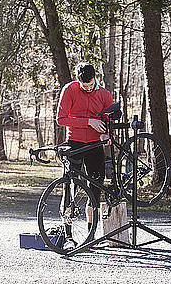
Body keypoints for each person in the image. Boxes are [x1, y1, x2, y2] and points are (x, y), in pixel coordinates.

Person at [56, 62, 113, 250]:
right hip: (74, 142)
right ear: (78, 80)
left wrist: (107, 134)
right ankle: (68, 236)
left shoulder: (104, 94)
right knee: (69, 186)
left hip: (96, 144)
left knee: (96, 186)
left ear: (95, 77)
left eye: (90, 85)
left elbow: (110, 118)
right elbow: (61, 119)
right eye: (84, 86)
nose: (87, 89)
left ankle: (91, 234)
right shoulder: (69, 90)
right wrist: (88, 122)